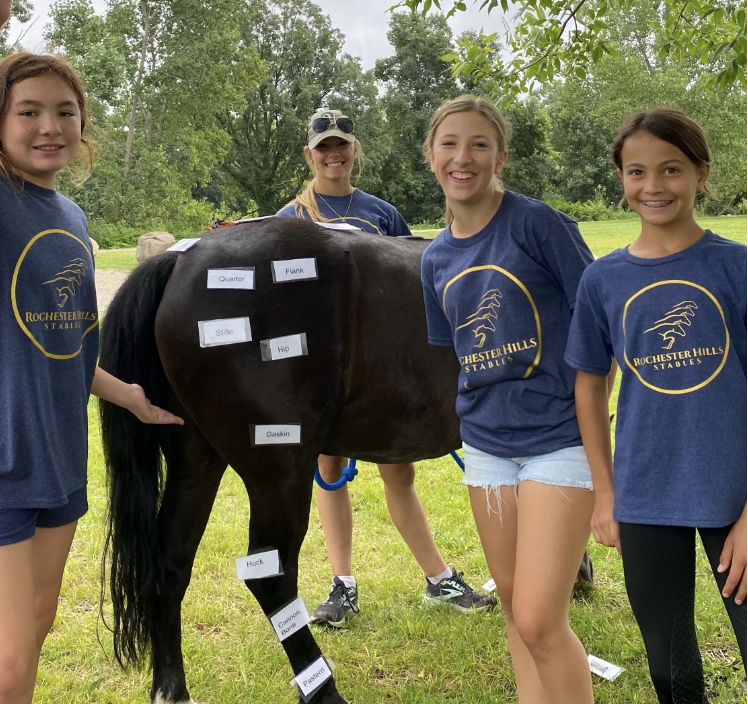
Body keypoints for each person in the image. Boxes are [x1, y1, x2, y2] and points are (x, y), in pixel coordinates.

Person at [0, 52, 184, 703]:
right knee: (9, 662)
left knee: (33, 628)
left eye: (64, 112)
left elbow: (68, 345)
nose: (50, 126)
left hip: (60, 457)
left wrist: (129, 395)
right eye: (30, 111)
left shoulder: (71, 219)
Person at [276, 108, 495, 627]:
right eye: (323, 146)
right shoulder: (290, 219)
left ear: (355, 150)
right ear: (310, 154)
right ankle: (341, 586)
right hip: (325, 374)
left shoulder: (382, 214)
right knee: (329, 471)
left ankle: (438, 579)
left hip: (387, 374)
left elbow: (413, 285)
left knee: (400, 470)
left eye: (342, 145)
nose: (334, 154)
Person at [421, 94, 597, 704]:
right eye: (449, 144)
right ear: (431, 156)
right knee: (514, 608)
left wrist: (589, 417)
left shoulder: (536, 224)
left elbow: (597, 321)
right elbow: (458, 355)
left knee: (540, 620)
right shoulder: (436, 257)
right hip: (487, 449)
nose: (462, 158)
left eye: (478, 144)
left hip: (558, 443)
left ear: (500, 156)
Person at [566, 108, 746, 704]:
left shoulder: (736, 267)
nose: (653, 186)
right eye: (636, 171)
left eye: (670, 169)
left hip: (735, 492)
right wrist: (606, 491)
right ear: (620, 178)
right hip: (645, 493)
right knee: (670, 667)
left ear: (700, 172)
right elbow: (590, 386)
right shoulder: (603, 279)